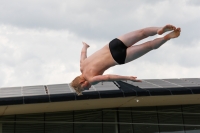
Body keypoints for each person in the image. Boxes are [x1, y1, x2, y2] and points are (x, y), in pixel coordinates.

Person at [70, 24, 181, 95]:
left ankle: (166, 37)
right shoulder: (82, 65)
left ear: (81, 82)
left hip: (118, 57)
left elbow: (108, 77)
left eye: (84, 88)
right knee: (142, 32)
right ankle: (159, 30)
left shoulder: (91, 79)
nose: (88, 88)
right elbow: (83, 53)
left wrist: (127, 78)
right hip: (112, 45)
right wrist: (85, 45)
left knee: (149, 46)